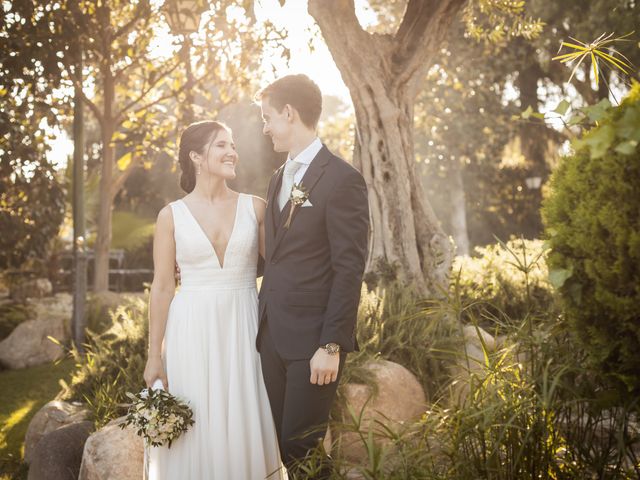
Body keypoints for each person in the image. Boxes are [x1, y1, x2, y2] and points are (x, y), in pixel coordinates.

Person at [143, 120, 286, 479]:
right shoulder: (170, 216)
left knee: (247, 416)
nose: (232, 152)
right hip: (191, 331)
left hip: (247, 327)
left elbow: (282, 273)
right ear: (196, 156)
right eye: (221, 145)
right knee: (198, 422)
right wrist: (153, 357)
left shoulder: (256, 208)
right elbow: (162, 287)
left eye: (232, 144)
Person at [255, 74, 370, 478]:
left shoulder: (342, 180)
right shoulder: (275, 179)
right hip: (271, 337)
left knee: (300, 445)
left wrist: (332, 344)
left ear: (290, 113)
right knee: (284, 449)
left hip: (312, 343)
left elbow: (349, 267)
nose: (265, 127)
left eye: (268, 117)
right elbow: (277, 256)